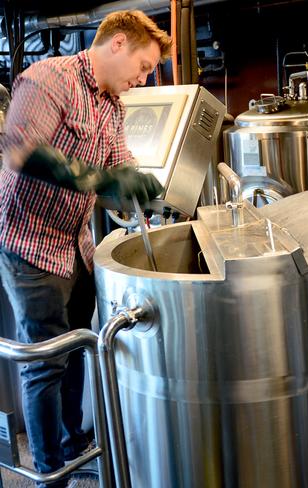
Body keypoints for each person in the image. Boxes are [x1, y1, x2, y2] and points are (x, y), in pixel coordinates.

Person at [0, 10, 171, 488]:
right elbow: (22, 149)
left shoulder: (112, 105)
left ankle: (77, 450)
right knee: (45, 362)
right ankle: (51, 471)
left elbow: (121, 163)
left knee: (78, 349)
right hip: (29, 246)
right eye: (142, 66)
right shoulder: (48, 78)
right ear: (117, 43)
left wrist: (150, 194)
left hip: (76, 246)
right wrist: (102, 179)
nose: (142, 79)